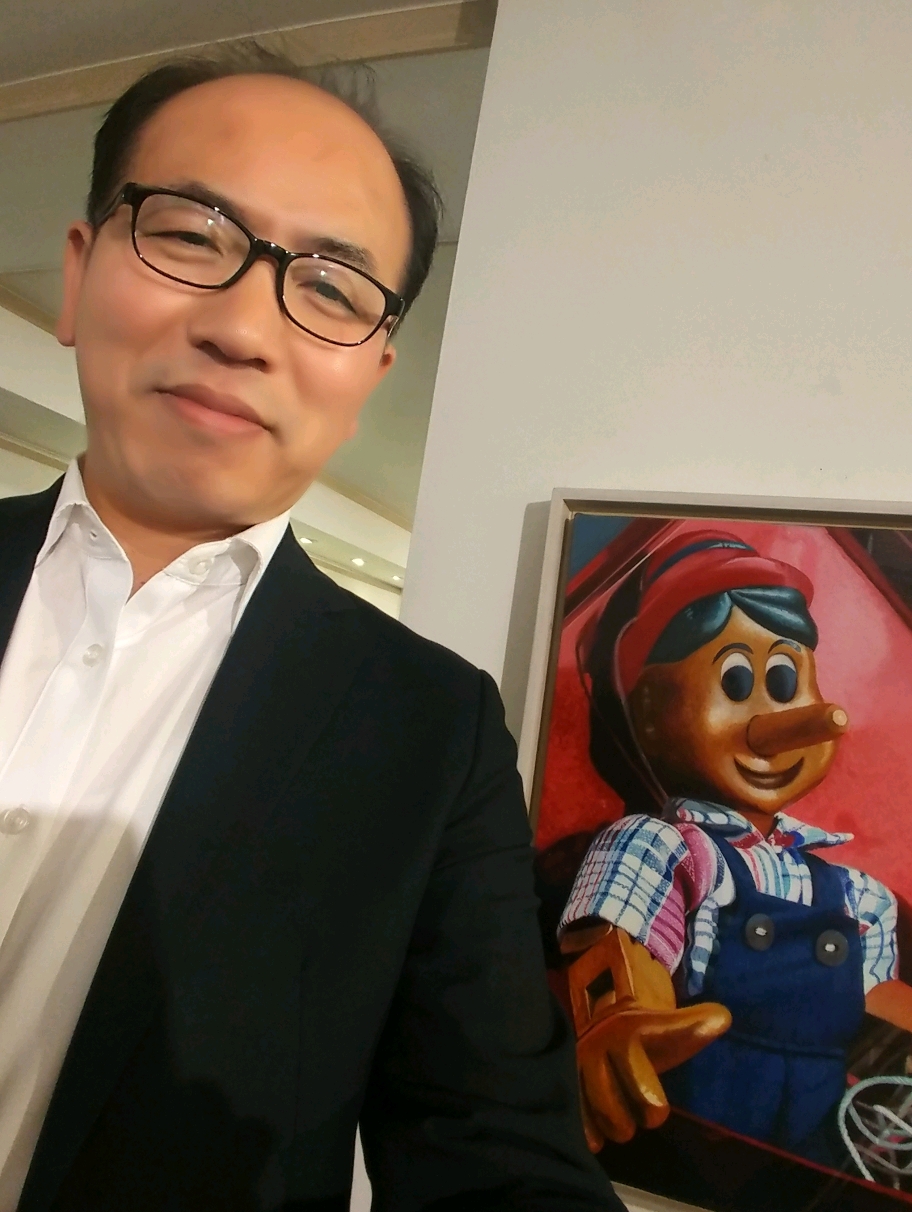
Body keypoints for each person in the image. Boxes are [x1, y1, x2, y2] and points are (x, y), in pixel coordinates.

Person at [0, 47, 621, 1212]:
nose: (243, 327)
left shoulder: (430, 733)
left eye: (332, 289)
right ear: (77, 274)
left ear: (374, 370)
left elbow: (495, 1150)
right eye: (191, 235)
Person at [559, 530, 912, 1167]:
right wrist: (621, 1023)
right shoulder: (662, 847)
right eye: (737, 681)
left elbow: (875, 1008)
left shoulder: (860, 897)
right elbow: (620, 959)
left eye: (786, 681)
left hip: (817, 1164)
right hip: (689, 1150)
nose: (782, 724)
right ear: (649, 711)